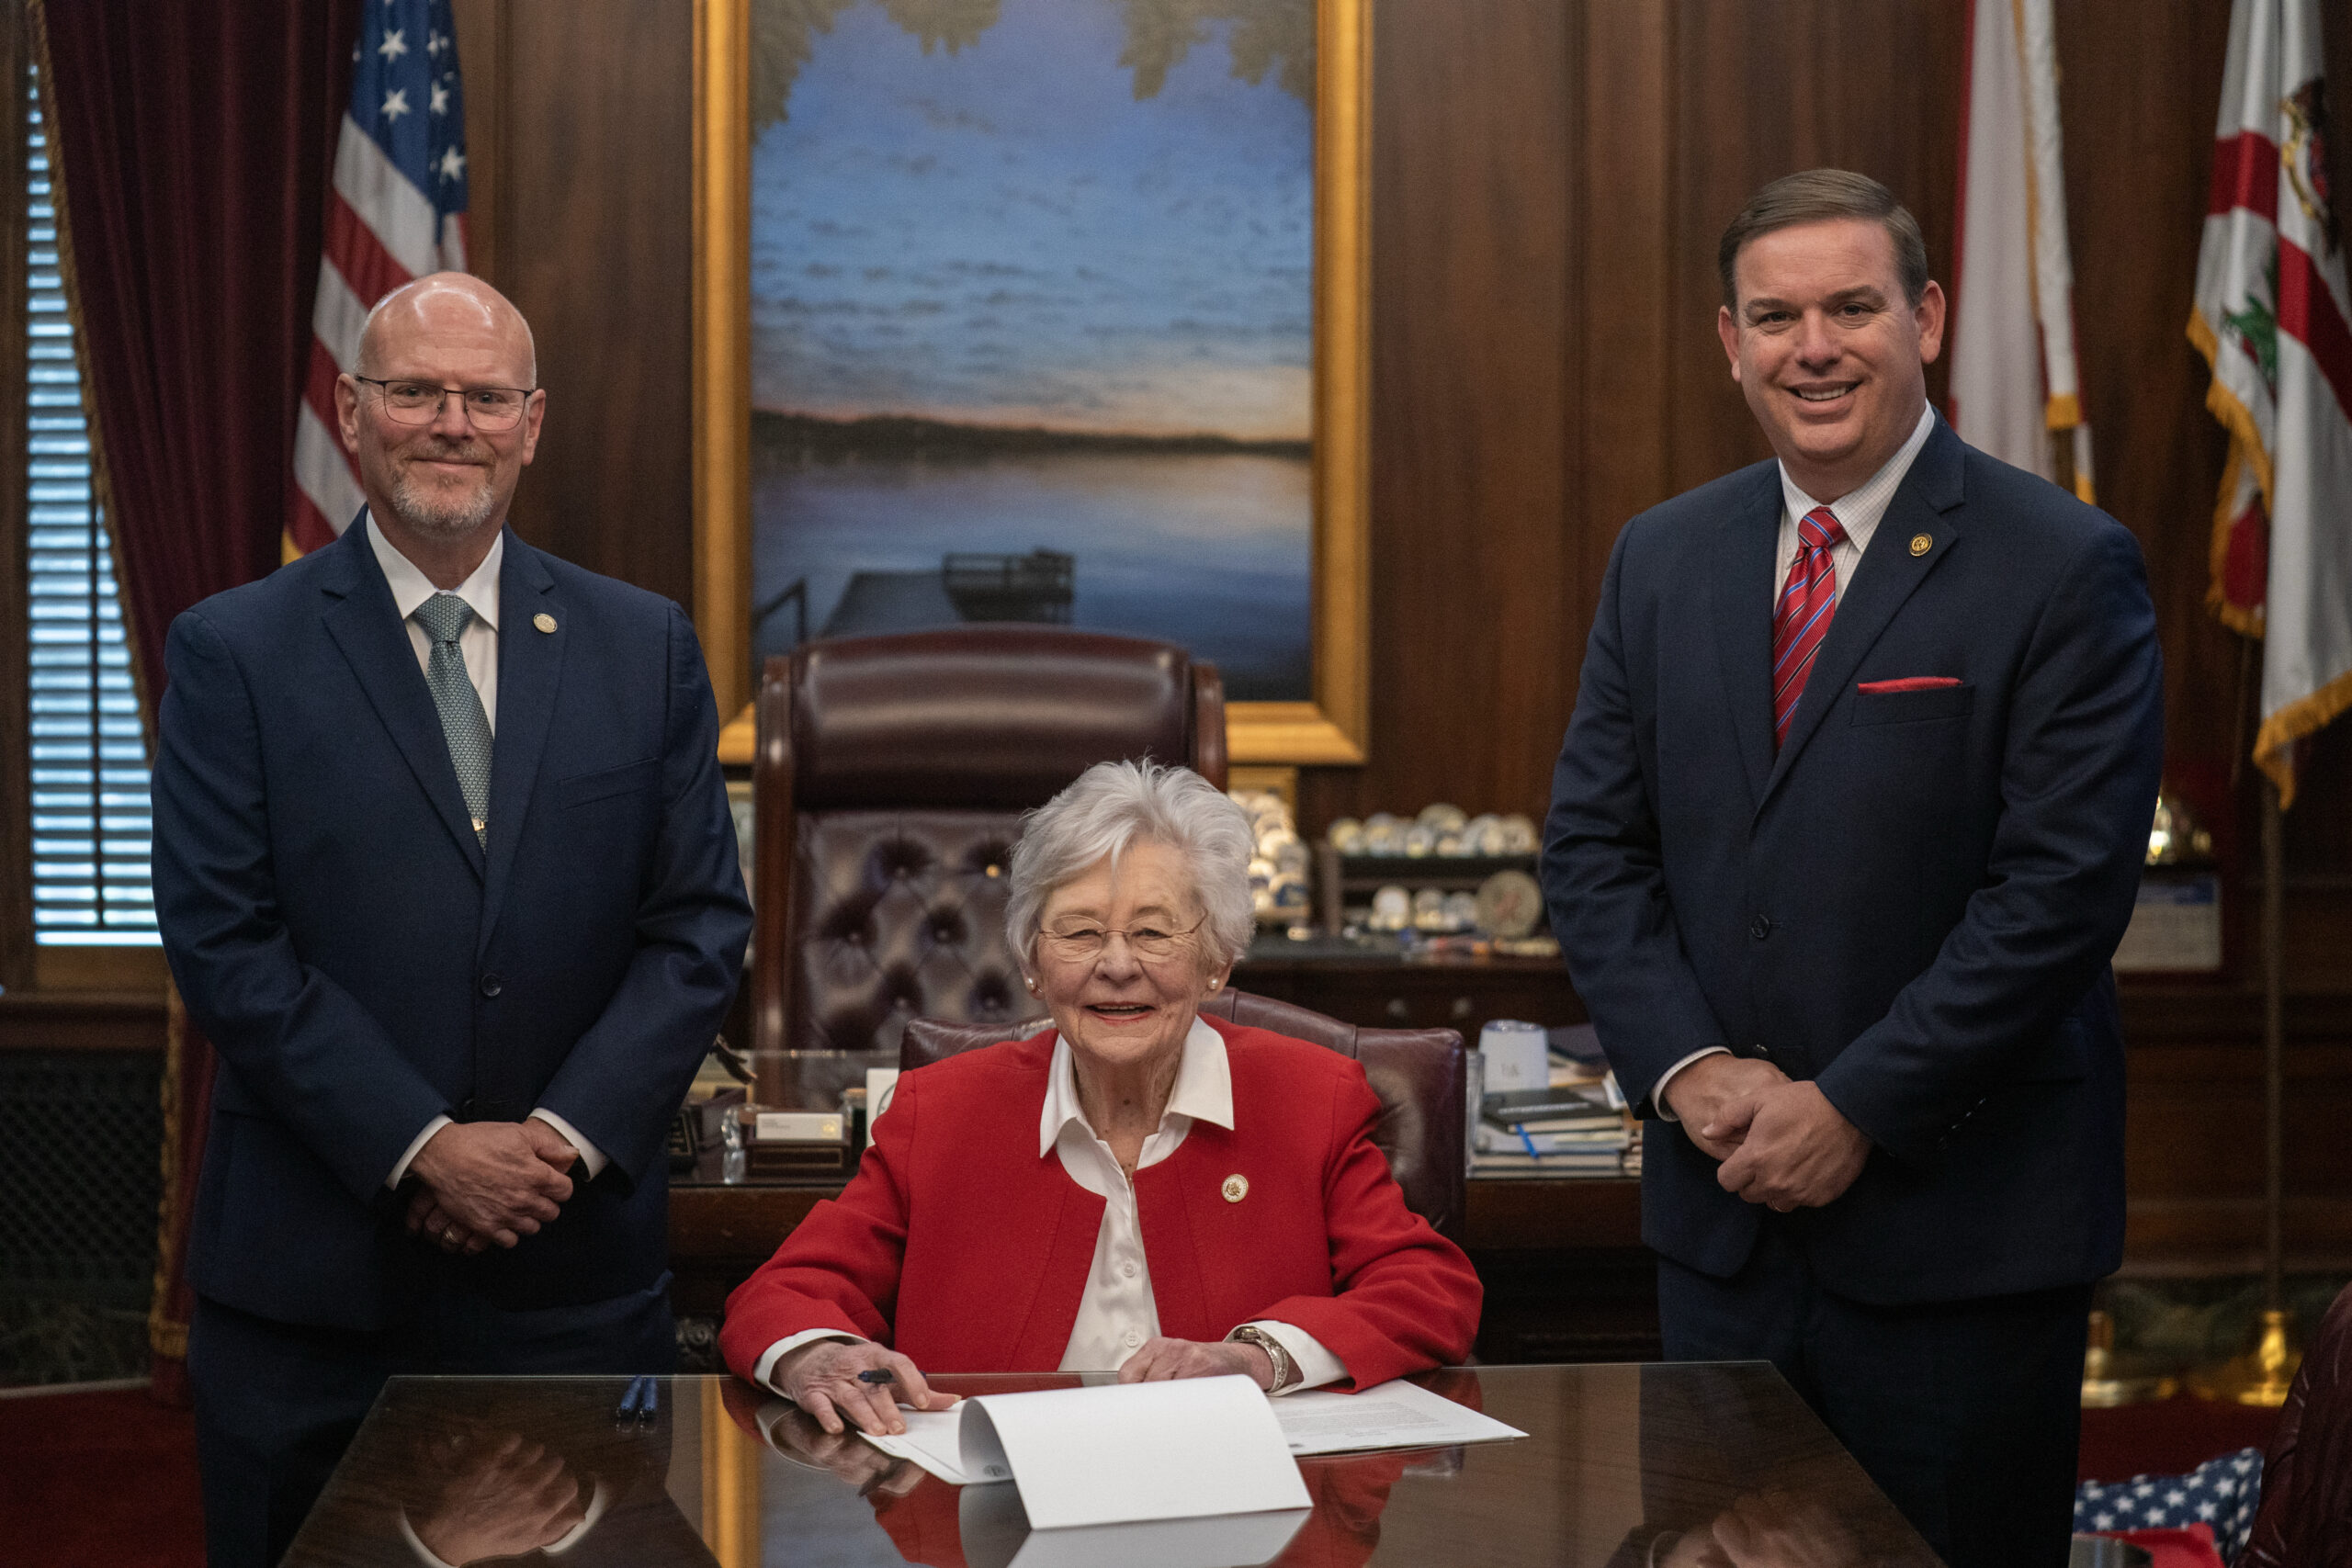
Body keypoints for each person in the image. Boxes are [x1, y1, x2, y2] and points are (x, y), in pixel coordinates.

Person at [1542, 170, 2163, 1568]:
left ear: (1925, 318)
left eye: (1851, 308)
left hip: (1960, 1247)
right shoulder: (1661, 556)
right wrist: (1691, 1068)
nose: (1812, 347)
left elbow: (2059, 894)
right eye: (1775, 316)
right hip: (1724, 1236)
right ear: (1731, 341)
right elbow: (1592, 847)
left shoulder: (2062, 562)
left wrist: (1856, 1105)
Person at [152, 273, 753, 1567]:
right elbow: (225, 942)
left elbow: (699, 926)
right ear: (350, 410)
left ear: (531, 423)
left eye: (484, 397)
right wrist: (421, 1144)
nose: (450, 423)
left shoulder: (642, 645)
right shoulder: (233, 650)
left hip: (570, 1278)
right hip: (316, 1293)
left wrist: (553, 1143)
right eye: (415, 391)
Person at [719, 760, 1481, 1432]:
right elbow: (782, 1293)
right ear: (1032, 962)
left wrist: (1260, 1357)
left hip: (1242, 1512)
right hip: (991, 1510)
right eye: (1081, 933)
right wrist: (819, 1355)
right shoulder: (940, 1112)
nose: (1116, 965)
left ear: (1216, 961)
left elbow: (1429, 1291)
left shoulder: (1310, 1099)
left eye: (1153, 933)